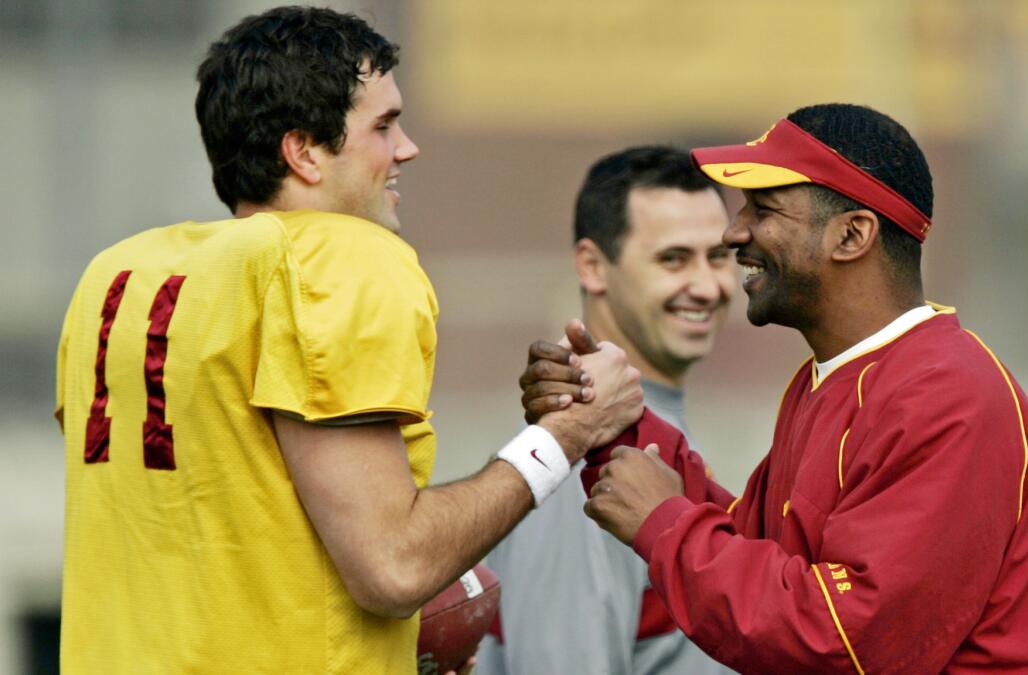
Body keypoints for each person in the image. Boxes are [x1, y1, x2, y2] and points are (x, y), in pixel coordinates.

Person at [53, 7, 642, 674]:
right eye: (384, 126)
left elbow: (220, 519)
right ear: (303, 150)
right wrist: (562, 438)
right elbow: (393, 564)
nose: (407, 148)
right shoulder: (335, 258)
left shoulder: (119, 274)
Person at [522, 104, 1028, 673]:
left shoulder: (947, 393)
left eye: (764, 209)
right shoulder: (833, 377)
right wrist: (609, 421)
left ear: (851, 235)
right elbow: (752, 548)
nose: (734, 232)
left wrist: (665, 524)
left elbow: (848, 641)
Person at [478, 146, 737, 675]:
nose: (709, 286)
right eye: (673, 258)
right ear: (593, 266)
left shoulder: (645, 430)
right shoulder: (579, 455)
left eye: (718, 256)